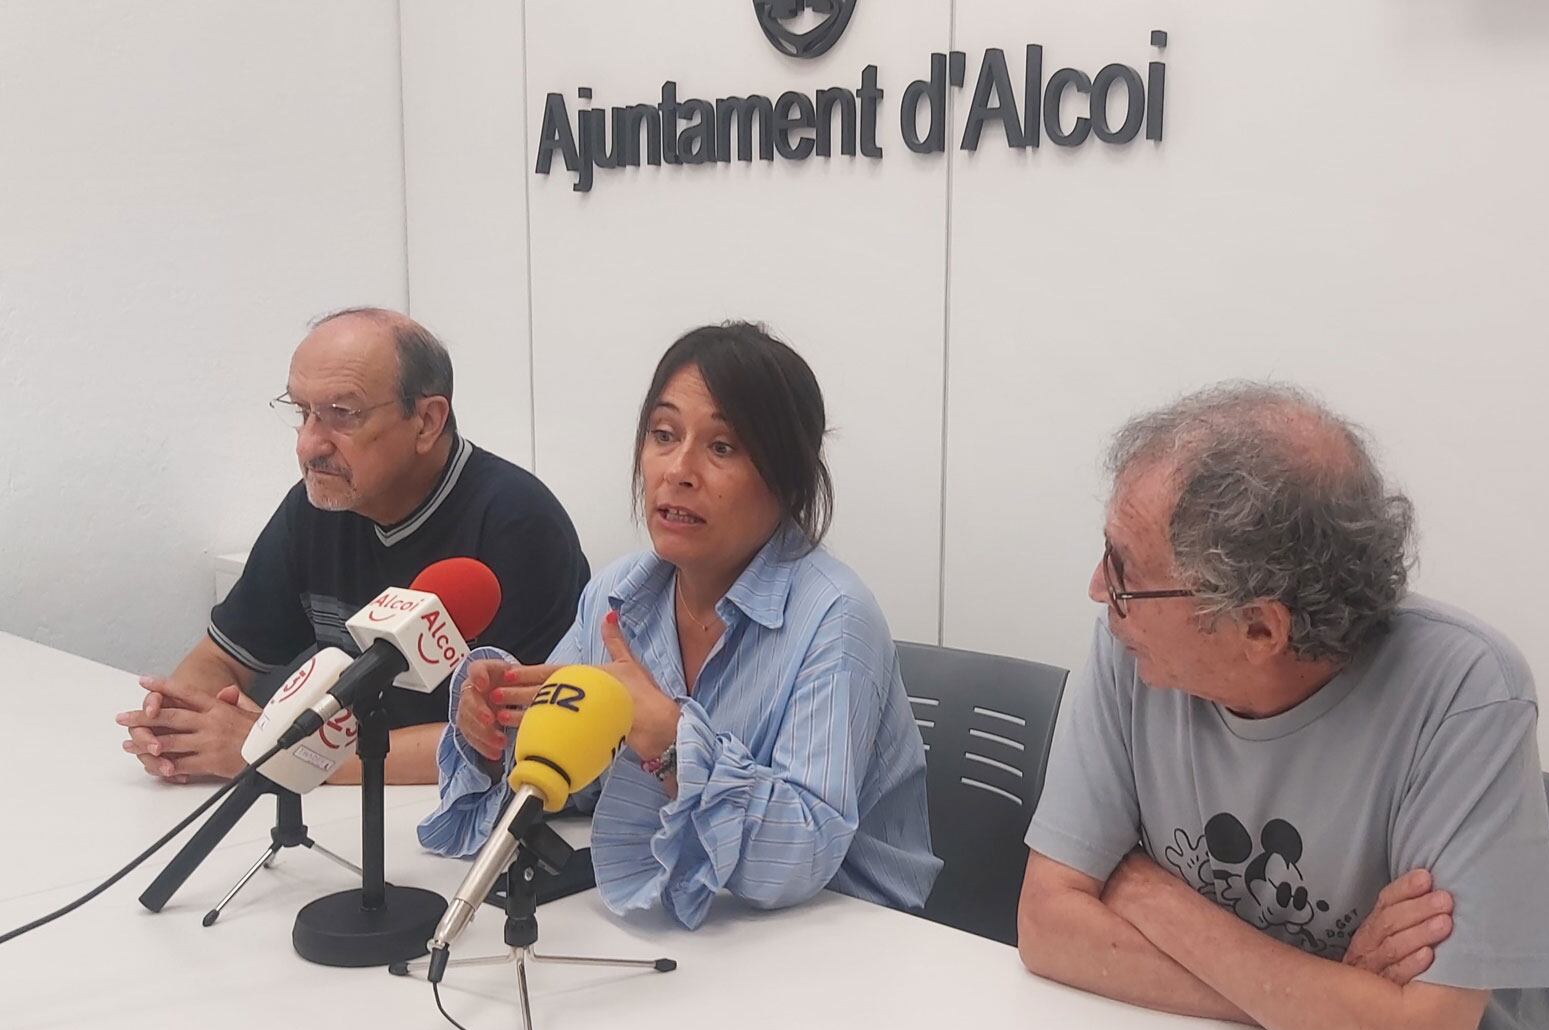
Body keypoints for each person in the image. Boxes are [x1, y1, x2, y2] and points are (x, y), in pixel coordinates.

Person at [1017, 382, 1549, 1030]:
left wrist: (1152, 895)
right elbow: (1047, 926)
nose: (1100, 591)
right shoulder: (1134, 647)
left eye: (1125, 572)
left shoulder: (1468, 692)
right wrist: (1327, 998)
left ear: (1259, 628)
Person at [419, 322, 939, 927]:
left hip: (846, 932)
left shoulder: (835, 617)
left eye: (722, 448)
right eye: (663, 435)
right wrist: (497, 736)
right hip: (688, 915)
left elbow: (800, 854)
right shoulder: (617, 595)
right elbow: (583, 787)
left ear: (788, 478)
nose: (678, 470)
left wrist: (669, 741)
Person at [116, 308, 587, 786]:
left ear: (426, 421)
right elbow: (219, 659)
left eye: (341, 415)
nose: (308, 445)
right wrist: (176, 728)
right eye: (302, 413)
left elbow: (512, 733)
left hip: (450, 815)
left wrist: (288, 756)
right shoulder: (316, 506)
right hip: (345, 807)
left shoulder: (517, 521)